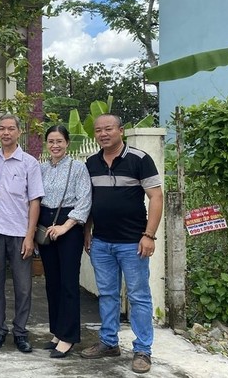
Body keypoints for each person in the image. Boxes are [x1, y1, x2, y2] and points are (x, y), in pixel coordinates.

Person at [80, 114, 163, 374]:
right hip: (102, 242)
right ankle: (108, 342)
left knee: (139, 296)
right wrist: (88, 231)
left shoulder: (139, 160)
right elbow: (89, 201)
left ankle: (142, 350)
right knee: (107, 294)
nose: (103, 134)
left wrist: (148, 235)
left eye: (109, 129)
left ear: (121, 131)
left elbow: (156, 197)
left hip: (133, 243)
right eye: (98, 130)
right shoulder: (91, 163)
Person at [0, 114, 44, 353]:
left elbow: (35, 201)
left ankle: (20, 331)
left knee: (23, 286)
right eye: (2, 129)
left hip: (20, 232)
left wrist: (30, 236)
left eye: (11, 128)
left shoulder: (29, 163)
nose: (6, 133)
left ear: (19, 132)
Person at [37, 125, 92, 358]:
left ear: (67, 143)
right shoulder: (41, 168)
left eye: (59, 141)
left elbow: (84, 201)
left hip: (69, 226)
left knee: (68, 283)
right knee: (52, 282)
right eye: (51, 141)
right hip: (45, 223)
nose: (55, 145)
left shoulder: (78, 168)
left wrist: (65, 227)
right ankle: (57, 331)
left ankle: (68, 336)